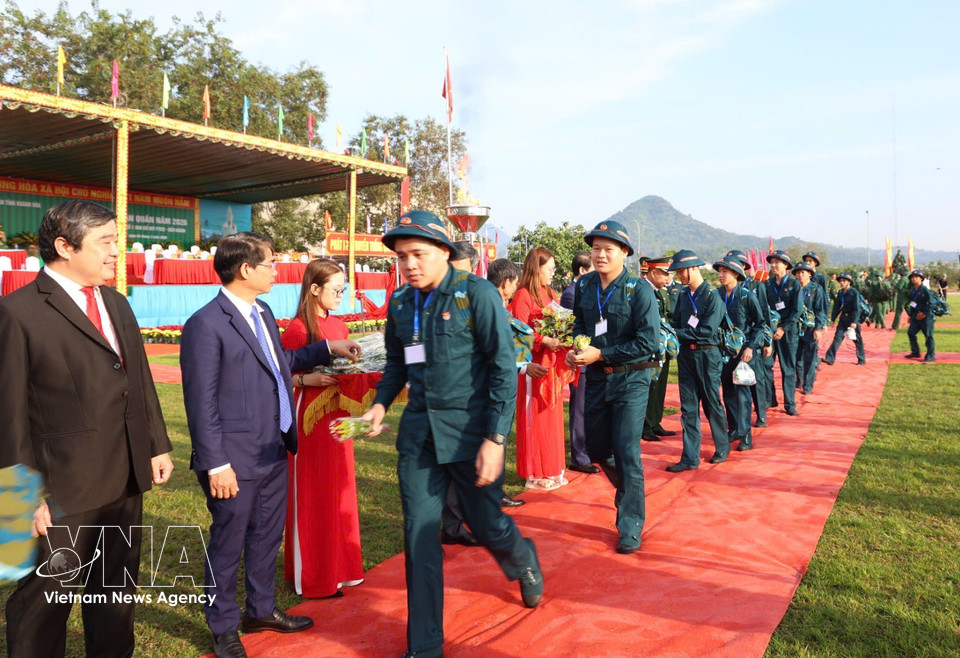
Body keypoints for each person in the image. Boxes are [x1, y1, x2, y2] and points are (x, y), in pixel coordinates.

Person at [362, 210, 543, 658]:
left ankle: (522, 560)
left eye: (418, 254)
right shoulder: (402, 303)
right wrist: (381, 403)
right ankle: (424, 647)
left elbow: (503, 369)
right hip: (420, 436)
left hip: (471, 432)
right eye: (402, 257)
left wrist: (495, 440)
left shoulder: (475, 294)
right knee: (420, 537)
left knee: (485, 523)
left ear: (444, 251)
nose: (409, 265)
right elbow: (397, 365)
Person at [0, 200, 174, 658]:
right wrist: (19, 495)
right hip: (61, 487)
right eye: (106, 243)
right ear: (64, 246)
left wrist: (156, 444)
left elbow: (137, 379)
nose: (118, 252)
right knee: (44, 602)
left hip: (125, 476)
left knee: (115, 596)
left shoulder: (116, 302)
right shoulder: (17, 312)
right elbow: (7, 411)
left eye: (117, 241)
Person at [181, 232, 360, 658]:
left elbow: (280, 362)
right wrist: (215, 463)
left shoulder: (260, 310)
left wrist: (326, 348)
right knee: (228, 542)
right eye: (270, 264)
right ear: (245, 269)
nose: (277, 271)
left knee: (265, 536)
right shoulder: (205, 324)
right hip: (233, 459)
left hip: (274, 447)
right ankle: (223, 626)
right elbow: (199, 403)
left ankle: (260, 609)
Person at [566, 220, 660, 553]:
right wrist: (576, 351)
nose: (600, 255)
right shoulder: (586, 285)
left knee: (626, 451)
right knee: (595, 450)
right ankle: (631, 492)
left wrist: (601, 353)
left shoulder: (639, 291)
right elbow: (581, 323)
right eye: (596, 249)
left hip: (631, 379)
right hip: (595, 378)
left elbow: (648, 342)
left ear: (624, 253)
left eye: (608, 249)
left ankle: (630, 524)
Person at [280, 259, 364, 598]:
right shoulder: (298, 329)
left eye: (344, 289)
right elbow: (275, 372)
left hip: (337, 417)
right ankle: (313, 574)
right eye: (336, 289)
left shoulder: (341, 327)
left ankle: (342, 569)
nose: (341, 295)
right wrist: (305, 379)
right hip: (309, 417)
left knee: (339, 491)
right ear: (314, 289)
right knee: (313, 494)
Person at [509, 247, 571, 490]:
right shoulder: (523, 295)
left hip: (551, 367)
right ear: (537, 268)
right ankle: (535, 471)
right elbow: (518, 329)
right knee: (534, 415)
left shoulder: (551, 293)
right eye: (550, 268)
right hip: (533, 365)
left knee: (552, 417)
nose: (553, 273)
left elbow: (560, 319)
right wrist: (543, 340)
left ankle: (552, 467)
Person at [667, 249, 731, 471]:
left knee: (712, 404)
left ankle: (722, 446)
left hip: (707, 355)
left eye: (681, 271)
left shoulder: (712, 297)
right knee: (688, 408)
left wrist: (677, 334)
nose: (679, 276)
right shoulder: (684, 296)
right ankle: (690, 457)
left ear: (694, 268)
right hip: (686, 356)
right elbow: (677, 321)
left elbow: (706, 331)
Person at [714, 256, 766, 451]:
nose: (720, 275)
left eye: (724, 271)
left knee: (743, 395)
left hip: (743, 353)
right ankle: (734, 428)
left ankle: (746, 435)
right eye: (719, 271)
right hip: (723, 352)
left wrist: (751, 347)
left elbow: (760, 325)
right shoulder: (717, 295)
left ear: (736, 274)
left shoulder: (747, 296)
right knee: (728, 393)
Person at [560, 251, 601, 473]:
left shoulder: (591, 290)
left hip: (595, 357)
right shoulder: (570, 294)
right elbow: (575, 329)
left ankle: (590, 450)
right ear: (582, 271)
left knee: (591, 408)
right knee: (579, 408)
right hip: (580, 359)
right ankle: (579, 455)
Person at [726, 249, 773, 427]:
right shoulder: (722, 291)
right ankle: (737, 423)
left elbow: (764, 317)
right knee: (736, 384)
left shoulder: (756, 286)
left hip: (753, 340)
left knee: (755, 379)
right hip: (731, 346)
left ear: (743, 266)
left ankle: (761, 415)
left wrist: (766, 342)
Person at [641, 256, 679, 441]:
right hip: (648, 346)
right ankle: (645, 425)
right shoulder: (642, 290)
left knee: (660, 386)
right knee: (649, 385)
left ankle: (655, 422)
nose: (667, 278)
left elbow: (668, 316)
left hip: (662, 346)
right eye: (664, 274)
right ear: (653, 272)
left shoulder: (662, 293)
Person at [765, 249, 803, 416]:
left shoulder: (794, 284)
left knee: (788, 368)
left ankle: (790, 404)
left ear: (786, 265)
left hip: (788, 331)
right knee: (766, 365)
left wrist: (783, 328)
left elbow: (797, 310)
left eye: (777, 262)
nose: (773, 265)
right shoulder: (767, 284)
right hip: (771, 331)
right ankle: (770, 398)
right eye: (771, 262)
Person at [792, 262, 828, 395]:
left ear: (809, 274)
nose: (800, 275)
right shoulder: (793, 288)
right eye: (798, 273)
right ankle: (799, 379)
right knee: (796, 357)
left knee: (810, 358)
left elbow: (820, 310)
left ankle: (808, 385)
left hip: (810, 329)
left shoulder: (815, 289)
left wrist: (819, 328)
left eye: (803, 273)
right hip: (795, 329)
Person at [822, 272, 865, 366]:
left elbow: (857, 308)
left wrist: (854, 322)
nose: (841, 283)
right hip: (843, 318)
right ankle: (830, 358)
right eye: (840, 281)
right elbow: (837, 306)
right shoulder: (841, 292)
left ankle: (861, 359)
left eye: (844, 281)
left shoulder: (854, 293)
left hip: (853, 318)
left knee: (857, 340)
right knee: (837, 338)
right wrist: (832, 319)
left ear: (849, 282)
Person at [906, 269, 936, 363]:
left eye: (916, 277)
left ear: (921, 279)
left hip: (926, 317)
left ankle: (930, 355)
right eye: (912, 277)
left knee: (928, 336)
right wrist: (911, 315)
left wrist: (924, 313)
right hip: (916, 316)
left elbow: (932, 303)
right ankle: (915, 352)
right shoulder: (912, 290)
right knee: (911, 332)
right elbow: (912, 303)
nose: (914, 279)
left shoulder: (925, 290)